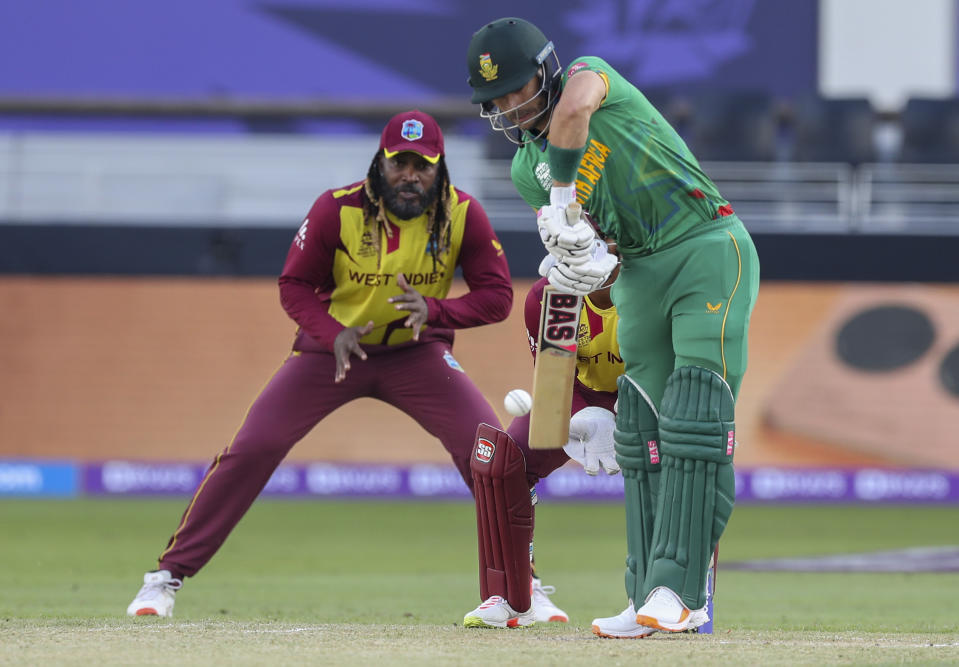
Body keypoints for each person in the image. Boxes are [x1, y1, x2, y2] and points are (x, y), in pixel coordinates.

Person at [126, 110, 528, 618]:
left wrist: (438, 311)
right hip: (333, 354)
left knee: (490, 452)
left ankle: (523, 587)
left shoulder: (463, 213)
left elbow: (497, 297)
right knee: (254, 447)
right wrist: (331, 333)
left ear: (440, 168)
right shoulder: (336, 210)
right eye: (399, 163)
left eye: (422, 165)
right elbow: (293, 285)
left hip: (418, 353)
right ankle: (165, 579)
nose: (410, 175)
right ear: (379, 165)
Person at [465, 18, 761, 638]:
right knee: (645, 428)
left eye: (516, 91)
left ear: (545, 71)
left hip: (705, 243)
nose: (509, 110)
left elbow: (575, 110)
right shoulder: (526, 171)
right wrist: (580, 255)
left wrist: (565, 193)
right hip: (639, 274)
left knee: (695, 413)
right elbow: (594, 247)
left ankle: (685, 594)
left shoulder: (590, 77)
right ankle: (646, 593)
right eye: (496, 102)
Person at [462, 258, 623, 629]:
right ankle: (514, 594)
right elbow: (555, 376)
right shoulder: (555, 296)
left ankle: (672, 597)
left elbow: (659, 365)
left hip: (641, 397)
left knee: (684, 459)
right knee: (507, 461)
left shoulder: (648, 288)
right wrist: (582, 414)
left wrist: (628, 416)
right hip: (575, 394)